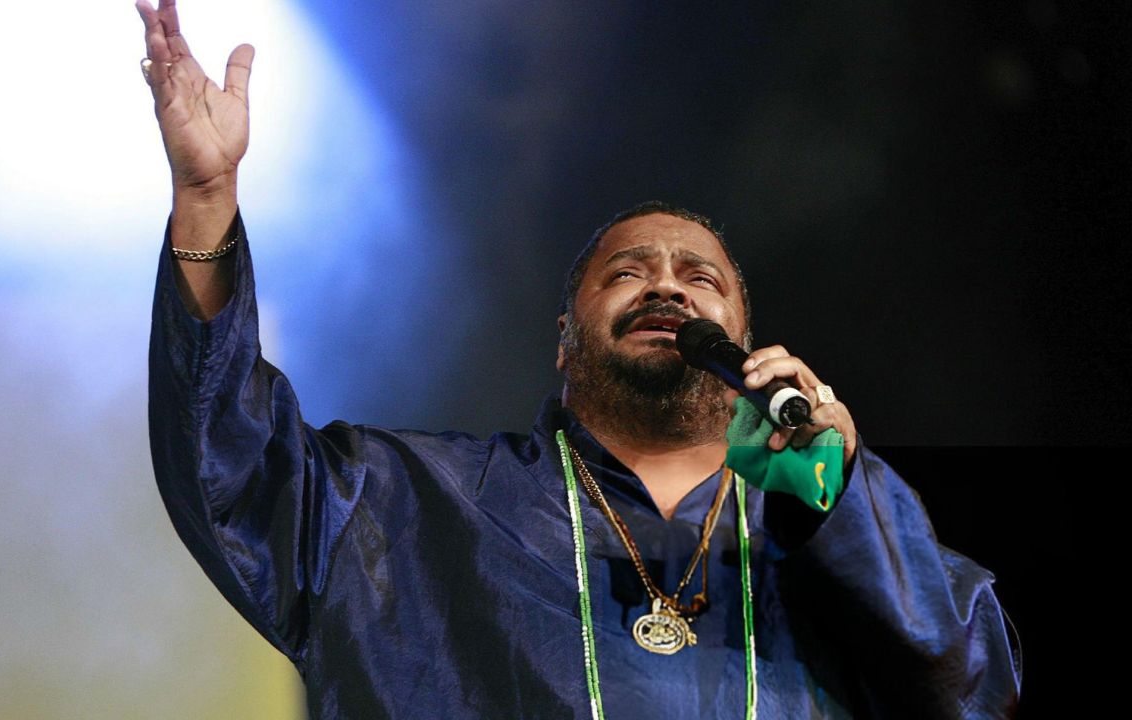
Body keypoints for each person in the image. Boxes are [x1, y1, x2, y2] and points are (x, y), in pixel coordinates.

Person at [137, 2, 1023, 718]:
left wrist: (845, 496)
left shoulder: (829, 537)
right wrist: (207, 198)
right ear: (566, 339)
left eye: (700, 278)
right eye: (627, 273)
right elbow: (230, 471)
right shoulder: (406, 503)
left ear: (749, 347)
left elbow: (971, 687)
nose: (665, 286)